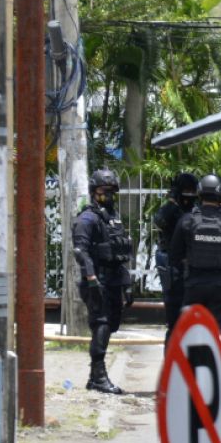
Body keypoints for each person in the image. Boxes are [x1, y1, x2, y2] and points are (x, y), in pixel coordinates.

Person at [72, 168, 133, 394]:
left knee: (111, 324)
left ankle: (94, 377)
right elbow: (80, 250)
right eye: (102, 191)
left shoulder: (113, 219)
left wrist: (126, 284)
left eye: (111, 191)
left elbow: (122, 253)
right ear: (93, 191)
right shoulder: (87, 218)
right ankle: (98, 376)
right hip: (97, 280)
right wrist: (91, 277)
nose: (107, 195)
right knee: (102, 324)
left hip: (114, 279)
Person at [168, 174, 221, 335]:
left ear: (200, 193)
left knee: (189, 329)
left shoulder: (187, 220)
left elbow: (174, 255)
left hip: (194, 285)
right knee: (218, 330)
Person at [152, 172, 198, 346]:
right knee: (174, 315)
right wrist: (172, 202)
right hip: (172, 264)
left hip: (191, 265)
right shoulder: (171, 209)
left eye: (191, 191)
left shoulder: (197, 209)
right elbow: (159, 221)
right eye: (185, 191)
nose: (189, 195)